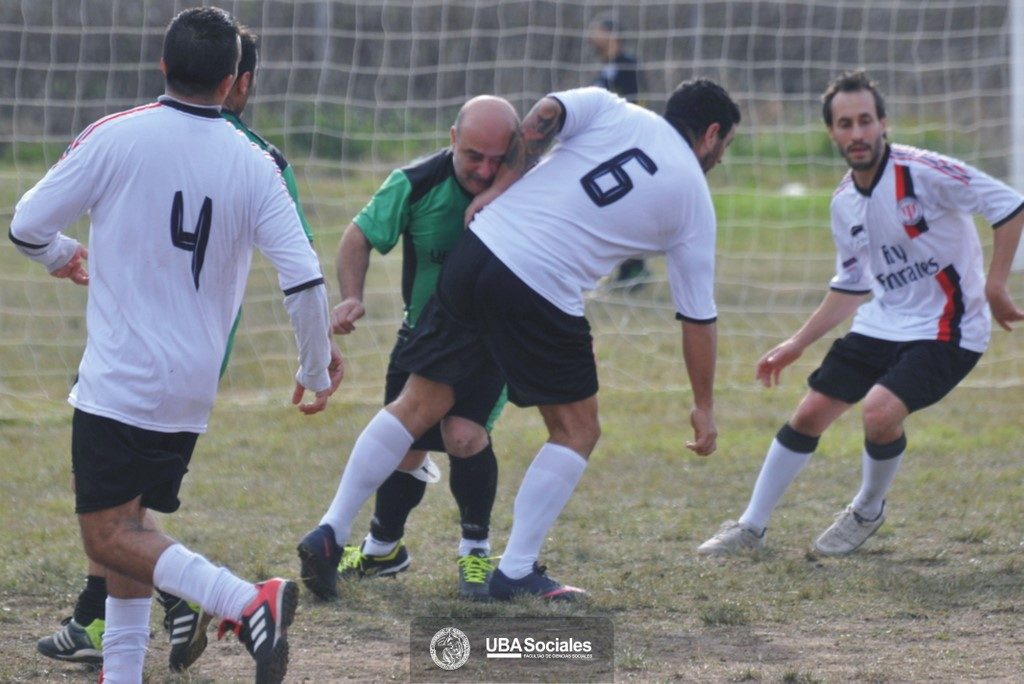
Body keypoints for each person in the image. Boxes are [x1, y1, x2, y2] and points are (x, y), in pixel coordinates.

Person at [298, 78, 739, 601]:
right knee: (576, 429)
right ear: (711, 134)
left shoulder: (612, 107)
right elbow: (697, 319)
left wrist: (497, 189)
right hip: (542, 288)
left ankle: (331, 530)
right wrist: (704, 405)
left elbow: (544, 115)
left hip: (479, 247)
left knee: (419, 401)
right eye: (725, 147)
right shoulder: (694, 200)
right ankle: (516, 570)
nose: (720, 158)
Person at [9, 7, 343, 683]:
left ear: (162, 66)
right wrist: (314, 366)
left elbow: (24, 224)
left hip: (121, 376)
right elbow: (304, 277)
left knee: (106, 536)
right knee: (130, 531)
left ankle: (248, 600)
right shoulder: (256, 164)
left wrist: (62, 253)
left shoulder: (116, 137)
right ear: (231, 81)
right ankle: (123, 673)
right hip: (192, 385)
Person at [697, 70, 1024, 557]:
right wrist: (796, 344)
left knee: (878, 412)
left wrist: (995, 283)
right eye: (845, 124)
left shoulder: (923, 172)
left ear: (883, 123)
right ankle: (750, 528)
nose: (857, 133)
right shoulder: (843, 203)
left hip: (949, 328)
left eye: (865, 121)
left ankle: (867, 510)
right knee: (808, 414)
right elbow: (851, 288)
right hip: (883, 321)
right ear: (832, 132)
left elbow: (1009, 205)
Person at [297, 96, 519, 602]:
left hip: (491, 338)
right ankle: (383, 549)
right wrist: (352, 295)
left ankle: (475, 552)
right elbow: (356, 238)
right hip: (424, 335)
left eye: (497, 158)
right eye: (473, 156)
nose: (486, 170)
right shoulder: (416, 183)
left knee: (464, 435)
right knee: (405, 447)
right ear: (451, 139)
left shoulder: (523, 188)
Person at [587, 11, 650, 289]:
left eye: (597, 31)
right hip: (608, 146)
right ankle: (625, 269)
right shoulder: (606, 67)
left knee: (624, 206)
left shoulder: (627, 64)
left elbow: (636, 103)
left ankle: (634, 270)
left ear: (612, 35)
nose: (592, 37)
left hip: (625, 146)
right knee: (609, 207)